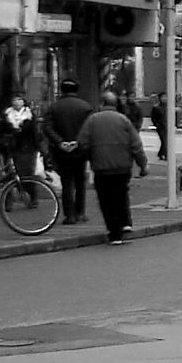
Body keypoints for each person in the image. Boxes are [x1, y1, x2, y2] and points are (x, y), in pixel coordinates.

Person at [76, 93, 147, 244]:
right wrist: (142, 165)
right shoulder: (123, 120)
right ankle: (125, 223)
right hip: (123, 166)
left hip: (102, 167)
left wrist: (90, 157)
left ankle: (115, 233)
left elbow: (82, 142)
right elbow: (136, 145)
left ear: (102, 103)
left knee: (106, 200)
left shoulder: (92, 120)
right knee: (121, 194)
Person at [42, 80, 94, 224]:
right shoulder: (85, 107)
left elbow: (47, 127)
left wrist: (60, 142)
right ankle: (80, 213)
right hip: (80, 150)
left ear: (62, 90)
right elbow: (90, 127)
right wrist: (77, 142)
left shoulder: (54, 107)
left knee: (67, 182)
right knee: (80, 182)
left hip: (61, 151)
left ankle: (69, 215)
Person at [150, 89, 170, 160]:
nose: (164, 98)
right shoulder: (156, 107)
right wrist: (157, 125)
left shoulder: (168, 107)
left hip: (167, 126)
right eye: (163, 97)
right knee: (164, 141)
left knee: (167, 141)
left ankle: (161, 153)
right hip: (161, 127)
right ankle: (166, 155)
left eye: (165, 97)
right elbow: (153, 118)